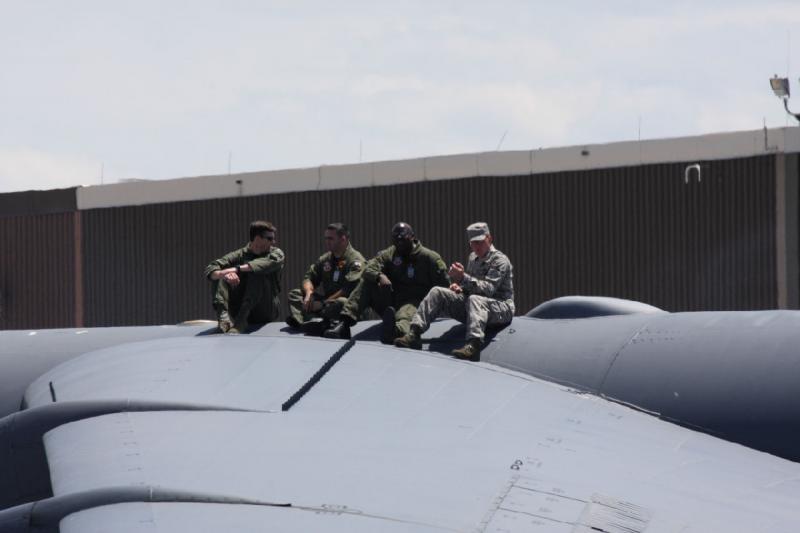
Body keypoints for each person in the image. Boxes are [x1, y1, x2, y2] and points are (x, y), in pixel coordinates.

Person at [395, 222, 514, 361]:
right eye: (473, 243)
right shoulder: (473, 258)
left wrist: (463, 277)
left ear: (489, 239)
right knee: (437, 291)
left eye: (480, 242)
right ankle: (414, 333)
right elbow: (471, 288)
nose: (476, 247)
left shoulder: (499, 260)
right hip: (477, 307)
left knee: (475, 299)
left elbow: (488, 290)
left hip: (501, 308)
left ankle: (473, 346)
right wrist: (460, 288)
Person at [324, 222, 448, 343]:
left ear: (412, 237)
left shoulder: (429, 258)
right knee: (368, 282)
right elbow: (368, 268)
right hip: (391, 301)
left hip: (414, 302)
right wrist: (379, 276)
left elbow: (444, 287)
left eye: (403, 240)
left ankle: (396, 331)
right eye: (396, 241)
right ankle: (344, 323)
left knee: (407, 312)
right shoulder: (391, 253)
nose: (399, 244)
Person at [204, 220, 285, 334]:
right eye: (270, 238)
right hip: (238, 308)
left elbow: (260, 265)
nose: (273, 242)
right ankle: (224, 320)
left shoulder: (276, 253)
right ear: (257, 238)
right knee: (220, 275)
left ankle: (241, 321)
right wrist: (225, 274)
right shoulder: (239, 254)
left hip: (265, 310)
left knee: (257, 271)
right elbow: (211, 268)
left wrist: (236, 269)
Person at [286, 223, 365, 335]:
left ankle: (321, 322)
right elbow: (309, 278)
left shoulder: (356, 260)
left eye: (331, 238)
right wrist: (309, 294)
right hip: (326, 304)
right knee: (295, 294)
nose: (327, 241)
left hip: (348, 308)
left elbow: (348, 289)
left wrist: (322, 303)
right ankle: (302, 323)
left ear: (343, 239)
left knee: (342, 302)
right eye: (326, 238)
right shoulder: (326, 259)